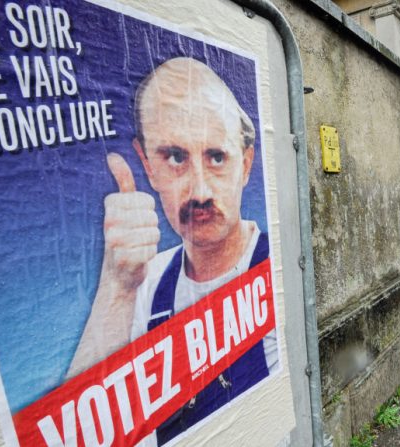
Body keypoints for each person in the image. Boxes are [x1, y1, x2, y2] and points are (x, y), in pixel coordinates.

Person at [68, 57, 277, 444]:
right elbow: (82, 431)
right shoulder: (142, 288)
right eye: (176, 158)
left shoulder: (276, 274)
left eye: (217, 157)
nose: (199, 191)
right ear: (147, 164)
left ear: (246, 165)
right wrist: (117, 289)